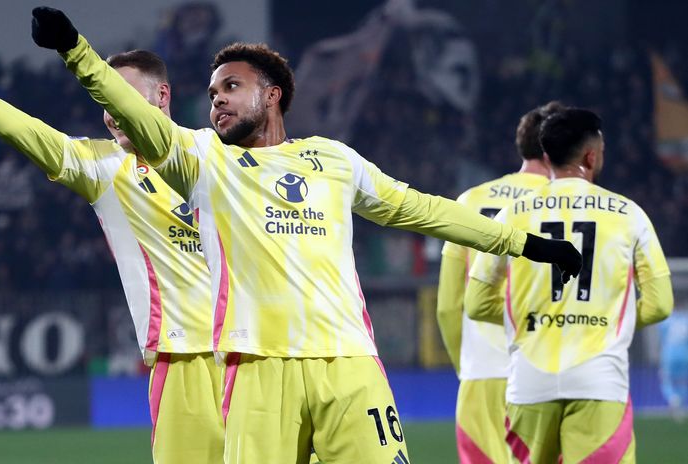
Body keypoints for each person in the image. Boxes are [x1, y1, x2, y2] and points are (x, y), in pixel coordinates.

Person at [29, 7, 582, 463]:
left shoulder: (333, 159)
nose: (216, 98)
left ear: (271, 95)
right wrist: (76, 52)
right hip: (256, 370)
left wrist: (526, 243)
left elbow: (422, 210)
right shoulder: (203, 161)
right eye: (212, 91)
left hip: (350, 365)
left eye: (231, 86)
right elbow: (138, 116)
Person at [0, 45, 223, 463]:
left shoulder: (215, 153)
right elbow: (20, 127)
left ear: (162, 95)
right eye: (105, 101)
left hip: (259, 351)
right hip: (186, 357)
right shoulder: (104, 167)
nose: (112, 112)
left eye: (122, 97)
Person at [466, 108, 673, 463]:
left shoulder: (512, 214)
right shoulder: (629, 215)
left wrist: (535, 317)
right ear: (592, 156)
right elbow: (659, 305)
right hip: (599, 379)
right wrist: (604, 320)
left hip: (529, 382)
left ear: (546, 158)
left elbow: (476, 304)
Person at [436, 101, 563, 463]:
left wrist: (468, 369)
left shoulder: (469, 200)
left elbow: (448, 306)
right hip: (549, 373)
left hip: (483, 374)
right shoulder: (568, 205)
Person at [659, 306, 688, 422]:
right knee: (683, 380)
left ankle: (673, 399)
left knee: (666, 380)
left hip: (669, 355)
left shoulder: (666, 319)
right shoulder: (686, 318)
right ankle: (681, 404)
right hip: (685, 354)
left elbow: (661, 337)